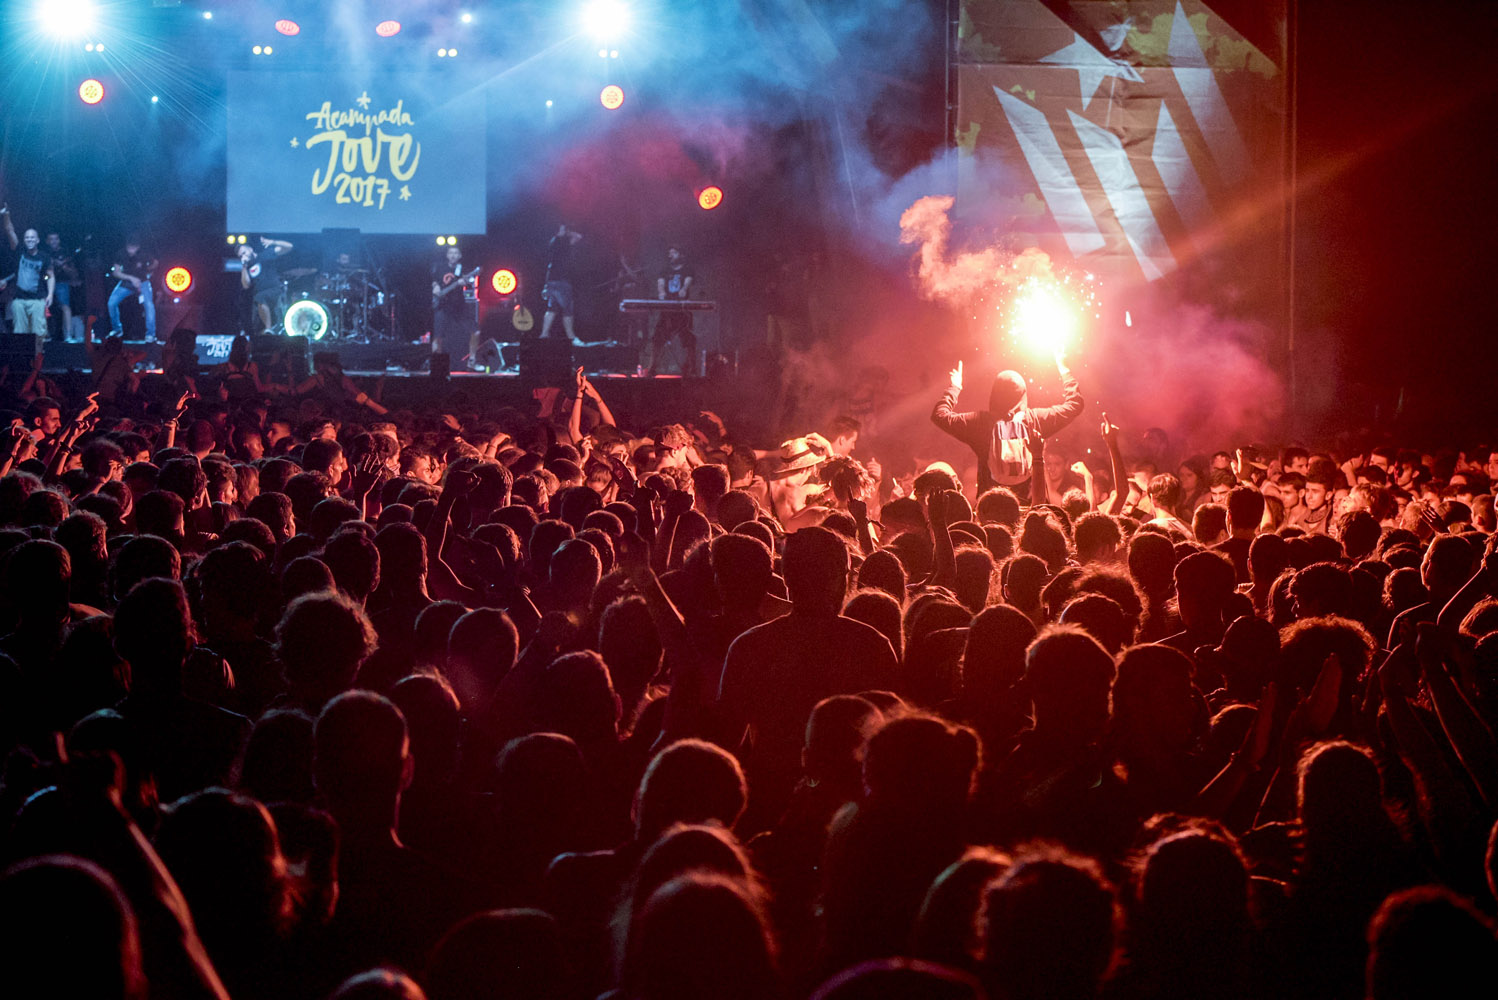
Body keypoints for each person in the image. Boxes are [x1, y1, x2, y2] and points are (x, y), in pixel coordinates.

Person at [932, 350, 1083, 502]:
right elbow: (1075, 404)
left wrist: (955, 387)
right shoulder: (1035, 420)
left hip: (989, 507)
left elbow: (939, 415)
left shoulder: (980, 423)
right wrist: (1064, 370)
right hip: (1028, 509)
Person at [1, 219, 55, 338]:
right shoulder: (20, 251)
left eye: (32, 237)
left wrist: (50, 294)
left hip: (37, 300)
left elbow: (50, 275)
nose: (29, 239)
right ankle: (22, 351)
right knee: (20, 333)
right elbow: (10, 231)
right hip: (19, 300)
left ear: (37, 240)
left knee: (39, 333)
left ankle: (39, 350)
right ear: (24, 240)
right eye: (27, 237)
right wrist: (6, 214)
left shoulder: (44, 257)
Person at [648, 245, 697, 376]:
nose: (670, 255)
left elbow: (687, 282)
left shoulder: (687, 269)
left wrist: (684, 289)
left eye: (674, 253)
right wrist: (661, 293)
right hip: (667, 310)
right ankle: (652, 367)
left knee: (688, 339)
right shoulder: (665, 270)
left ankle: (692, 367)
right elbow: (660, 284)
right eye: (669, 253)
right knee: (658, 338)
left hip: (682, 310)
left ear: (681, 255)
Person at [430, 243, 477, 359]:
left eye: (456, 253)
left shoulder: (462, 269)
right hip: (442, 305)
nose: (453, 255)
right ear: (447, 255)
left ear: (460, 256)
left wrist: (465, 282)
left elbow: (470, 280)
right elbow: (433, 279)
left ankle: (472, 359)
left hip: (459, 305)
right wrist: (435, 286)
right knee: (438, 335)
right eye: (451, 253)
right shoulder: (440, 267)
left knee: (474, 331)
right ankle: (437, 361)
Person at [238, 236, 293, 334]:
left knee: (260, 297)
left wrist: (273, 242)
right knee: (258, 299)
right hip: (261, 296)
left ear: (250, 249)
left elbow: (289, 247)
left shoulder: (265, 255)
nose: (243, 256)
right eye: (240, 256)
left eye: (244, 252)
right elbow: (246, 285)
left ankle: (268, 328)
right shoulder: (247, 267)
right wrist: (244, 266)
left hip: (274, 289)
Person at [107, 234, 156, 340]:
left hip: (142, 282)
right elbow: (116, 272)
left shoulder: (144, 254)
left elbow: (155, 263)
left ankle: (150, 334)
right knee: (111, 303)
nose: (131, 250)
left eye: (133, 248)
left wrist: (148, 272)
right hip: (126, 283)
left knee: (149, 305)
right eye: (129, 248)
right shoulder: (120, 254)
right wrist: (131, 278)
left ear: (138, 247)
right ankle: (117, 329)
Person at [541, 224, 584, 344]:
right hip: (562, 282)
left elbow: (549, 266)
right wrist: (567, 233)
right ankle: (571, 337)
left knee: (552, 308)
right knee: (567, 309)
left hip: (552, 281)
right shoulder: (562, 243)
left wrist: (546, 285)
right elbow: (579, 237)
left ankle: (544, 335)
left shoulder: (554, 242)